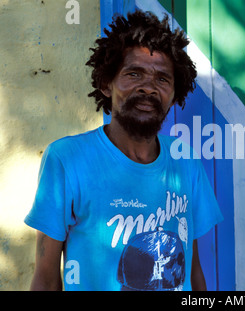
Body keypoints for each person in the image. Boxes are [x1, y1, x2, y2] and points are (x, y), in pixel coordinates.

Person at [24, 10, 223, 291]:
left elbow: (192, 269)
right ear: (107, 83)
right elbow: (45, 278)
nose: (149, 88)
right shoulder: (67, 159)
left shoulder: (185, 159)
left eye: (162, 79)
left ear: (174, 93)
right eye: (134, 73)